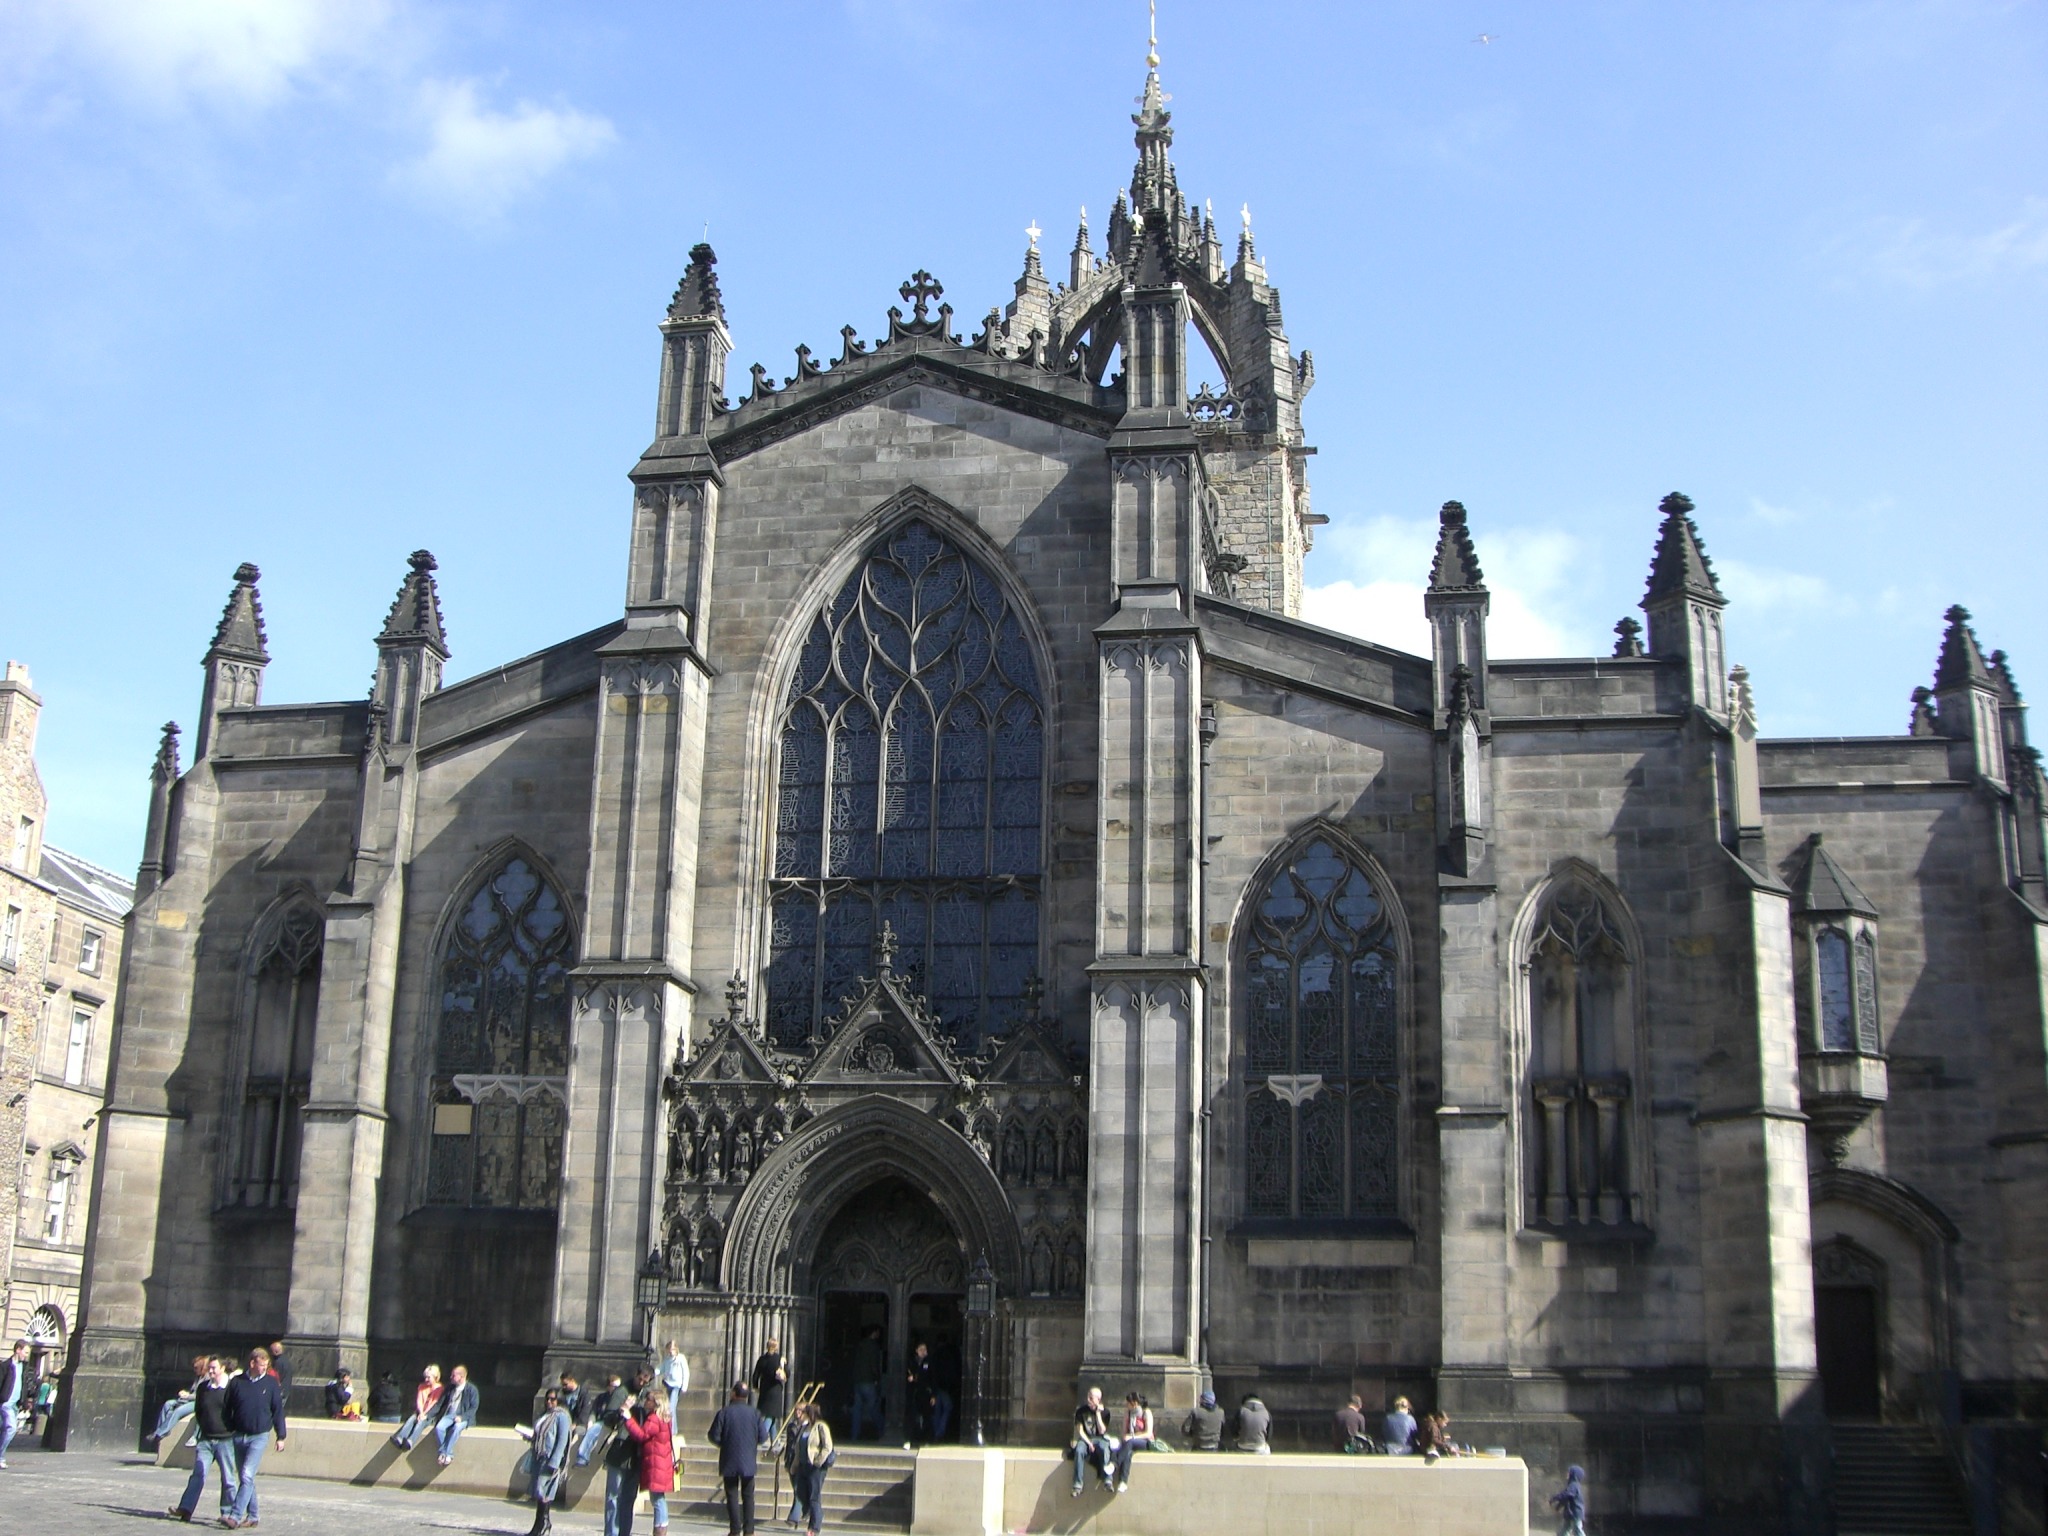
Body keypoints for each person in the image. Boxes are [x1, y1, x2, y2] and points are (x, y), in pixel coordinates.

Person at [222, 1346, 287, 1529]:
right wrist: (230, 1427)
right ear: (252, 1363)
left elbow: (277, 1411)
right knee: (246, 1479)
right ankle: (253, 1515)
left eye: (266, 1365)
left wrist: (280, 1436)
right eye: (261, 1365)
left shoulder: (271, 1384)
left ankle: (234, 1516)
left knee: (247, 1475)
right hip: (238, 1435)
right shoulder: (236, 1382)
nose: (264, 1368)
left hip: (259, 1436)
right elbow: (226, 1408)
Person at [168, 1357, 238, 1524]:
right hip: (206, 1439)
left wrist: (230, 1429)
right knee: (198, 1475)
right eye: (210, 1368)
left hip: (225, 1439)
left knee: (228, 1478)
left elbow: (237, 1412)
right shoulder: (203, 1388)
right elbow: (199, 1411)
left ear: (222, 1368)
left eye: (214, 1368)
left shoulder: (231, 1388)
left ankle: (228, 1513)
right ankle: (186, 1508)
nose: (211, 1371)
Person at [708, 1380, 768, 1536]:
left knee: (732, 1495)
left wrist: (725, 1444)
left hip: (729, 1458)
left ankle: (735, 1529)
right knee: (748, 1496)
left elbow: (713, 1435)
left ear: (734, 1394)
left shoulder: (724, 1412)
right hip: (748, 1459)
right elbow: (763, 1437)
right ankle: (749, 1530)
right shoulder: (755, 1413)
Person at [621, 1386, 678, 1536]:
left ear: (655, 1402)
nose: (646, 1401)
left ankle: (660, 1528)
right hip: (661, 1462)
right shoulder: (665, 1417)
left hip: (655, 1463)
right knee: (658, 1498)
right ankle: (661, 1527)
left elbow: (642, 1435)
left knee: (657, 1499)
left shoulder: (654, 1418)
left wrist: (628, 1418)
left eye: (649, 1399)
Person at [601, 1381, 649, 1536]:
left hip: (636, 1455)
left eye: (646, 1380)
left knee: (628, 1499)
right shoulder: (622, 1392)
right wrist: (622, 1411)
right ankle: (611, 1533)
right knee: (613, 1497)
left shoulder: (649, 1398)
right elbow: (608, 1419)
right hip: (619, 1451)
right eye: (640, 1378)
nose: (642, 1382)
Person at [527, 1385, 575, 1536]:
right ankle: (540, 1524)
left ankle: (543, 1524)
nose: (549, 1402)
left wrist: (554, 1462)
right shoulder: (546, 1415)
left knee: (545, 1492)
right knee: (539, 1492)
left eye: (553, 1399)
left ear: (559, 1400)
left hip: (550, 1459)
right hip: (539, 1457)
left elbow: (562, 1440)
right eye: (547, 1399)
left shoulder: (561, 1416)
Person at [792, 1401, 835, 1536]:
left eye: (804, 1412)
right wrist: (794, 1464)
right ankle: (814, 1512)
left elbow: (827, 1446)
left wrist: (818, 1461)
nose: (801, 1414)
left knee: (813, 1496)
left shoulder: (820, 1427)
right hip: (803, 1465)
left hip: (815, 1467)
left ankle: (814, 1527)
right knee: (801, 1491)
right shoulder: (805, 1428)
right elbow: (799, 1448)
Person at [151, 1355, 212, 1446]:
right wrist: (185, 1393)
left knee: (179, 1411)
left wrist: (188, 1396)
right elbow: (193, 1390)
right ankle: (161, 1429)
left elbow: (201, 1395)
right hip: (188, 1398)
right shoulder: (197, 1377)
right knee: (168, 1404)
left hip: (196, 1401)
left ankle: (159, 1433)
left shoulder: (207, 1378)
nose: (194, 1370)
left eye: (196, 1368)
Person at [1070, 1386, 1115, 1496]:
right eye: (1088, 1397)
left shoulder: (1106, 1412)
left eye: (1091, 1398)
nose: (1088, 1400)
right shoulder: (1081, 1411)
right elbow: (1080, 1430)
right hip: (1086, 1438)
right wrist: (1089, 1443)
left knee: (1105, 1449)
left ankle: (1108, 1480)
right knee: (1079, 1451)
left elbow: (1102, 1431)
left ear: (1098, 1400)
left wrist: (1098, 1414)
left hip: (1100, 1438)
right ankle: (1077, 1485)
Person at [432, 1363, 479, 1465]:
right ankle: (447, 1453)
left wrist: (462, 1417)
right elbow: (439, 1404)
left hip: (463, 1417)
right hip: (449, 1415)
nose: (451, 1377)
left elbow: (473, 1408)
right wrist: (427, 1415)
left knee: (457, 1428)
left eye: (453, 1375)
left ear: (461, 1377)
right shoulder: (449, 1388)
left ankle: (444, 1454)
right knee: (439, 1427)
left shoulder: (472, 1390)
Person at [391, 1363, 443, 1449]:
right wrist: (421, 1412)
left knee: (420, 1423)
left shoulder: (440, 1388)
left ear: (436, 1377)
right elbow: (419, 1400)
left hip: (431, 1415)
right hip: (420, 1412)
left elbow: (434, 1402)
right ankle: (400, 1437)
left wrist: (424, 1414)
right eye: (425, 1377)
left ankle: (411, 1441)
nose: (426, 1379)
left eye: (429, 1377)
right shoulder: (421, 1387)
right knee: (411, 1419)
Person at [1110, 1391, 1154, 1493]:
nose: (1126, 1405)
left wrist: (1132, 1436)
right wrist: (1126, 1437)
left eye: (1128, 1403)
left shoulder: (1146, 1412)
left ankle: (1115, 1463)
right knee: (1128, 1453)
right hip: (1129, 1443)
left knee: (1130, 1442)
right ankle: (1123, 1482)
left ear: (1134, 1403)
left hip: (1144, 1442)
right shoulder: (1128, 1413)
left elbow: (1148, 1433)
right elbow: (1124, 1433)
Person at [580, 1371, 626, 1466]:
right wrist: (590, 1422)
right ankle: (582, 1458)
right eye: (614, 1386)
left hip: (615, 1425)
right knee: (592, 1431)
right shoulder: (601, 1397)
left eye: (619, 1387)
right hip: (602, 1423)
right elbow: (594, 1411)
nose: (617, 1389)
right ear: (608, 1386)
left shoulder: (622, 1399)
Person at [848, 1328, 883, 1442]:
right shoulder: (873, 1346)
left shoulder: (859, 1346)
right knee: (873, 1408)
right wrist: (877, 1379)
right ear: (874, 1333)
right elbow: (874, 1364)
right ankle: (882, 1431)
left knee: (857, 1410)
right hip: (868, 1381)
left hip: (858, 1381)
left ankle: (854, 1435)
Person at [752, 1338, 789, 1442]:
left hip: (764, 1390)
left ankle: (775, 1441)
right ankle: (760, 1436)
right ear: (776, 1347)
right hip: (775, 1390)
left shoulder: (762, 1359)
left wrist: (756, 1387)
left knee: (771, 1415)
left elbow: (755, 1375)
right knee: (770, 1416)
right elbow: (788, 1373)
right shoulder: (780, 1359)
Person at [0, 1340, 28, 1469]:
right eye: (25, 1352)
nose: (26, 1355)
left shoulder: (24, 1366)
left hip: (15, 1405)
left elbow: (24, 1385)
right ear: (18, 1350)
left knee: (5, 1430)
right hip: (6, 1403)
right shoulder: (5, 1366)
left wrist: (25, 1401)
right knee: (11, 1428)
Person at [903, 1341, 936, 1448]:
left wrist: (933, 1395)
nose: (923, 1352)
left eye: (925, 1350)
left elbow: (933, 1379)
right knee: (912, 1418)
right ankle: (910, 1440)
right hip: (914, 1394)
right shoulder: (911, 1362)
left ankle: (928, 1440)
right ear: (916, 1350)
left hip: (925, 1394)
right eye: (921, 1349)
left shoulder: (929, 1363)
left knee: (927, 1418)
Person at [660, 1340, 690, 1435]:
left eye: (672, 1349)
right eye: (669, 1349)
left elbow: (686, 1372)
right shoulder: (667, 1359)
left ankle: (672, 1431)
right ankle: (673, 1429)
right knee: (666, 1406)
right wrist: (653, 1373)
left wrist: (684, 1386)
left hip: (676, 1385)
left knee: (671, 1406)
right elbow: (661, 1368)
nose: (671, 1351)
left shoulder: (681, 1358)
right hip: (668, 1383)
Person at [1551, 1463, 1588, 1536]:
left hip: (1576, 1512)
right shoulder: (1571, 1486)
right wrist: (1558, 1507)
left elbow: (1567, 1495)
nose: (1566, 1474)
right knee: (1565, 1528)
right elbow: (1565, 1499)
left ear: (1574, 1475)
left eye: (1569, 1472)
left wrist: (1555, 1498)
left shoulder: (1574, 1486)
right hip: (1570, 1513)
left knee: (1577, 1529)